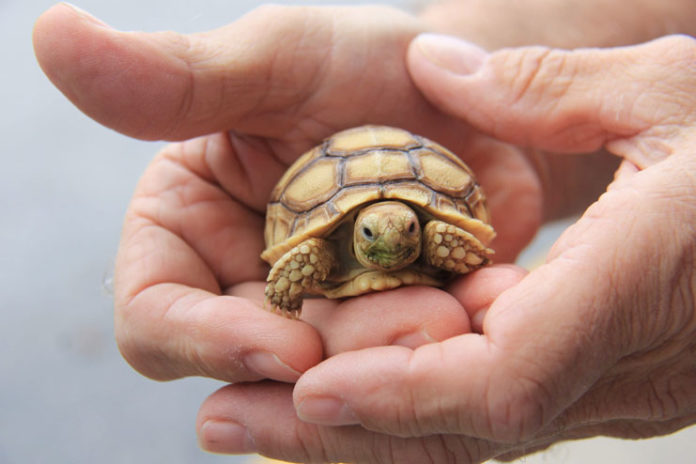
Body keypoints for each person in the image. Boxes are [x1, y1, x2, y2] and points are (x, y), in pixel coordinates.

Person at [33, 1, 696, 462]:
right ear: (359, 236)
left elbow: (454, 238)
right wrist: (469, 71)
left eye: (409, 233)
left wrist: (452, 227)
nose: (399, 244)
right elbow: (293, 259)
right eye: (383, 238)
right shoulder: (324, 246)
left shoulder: (423, 234)